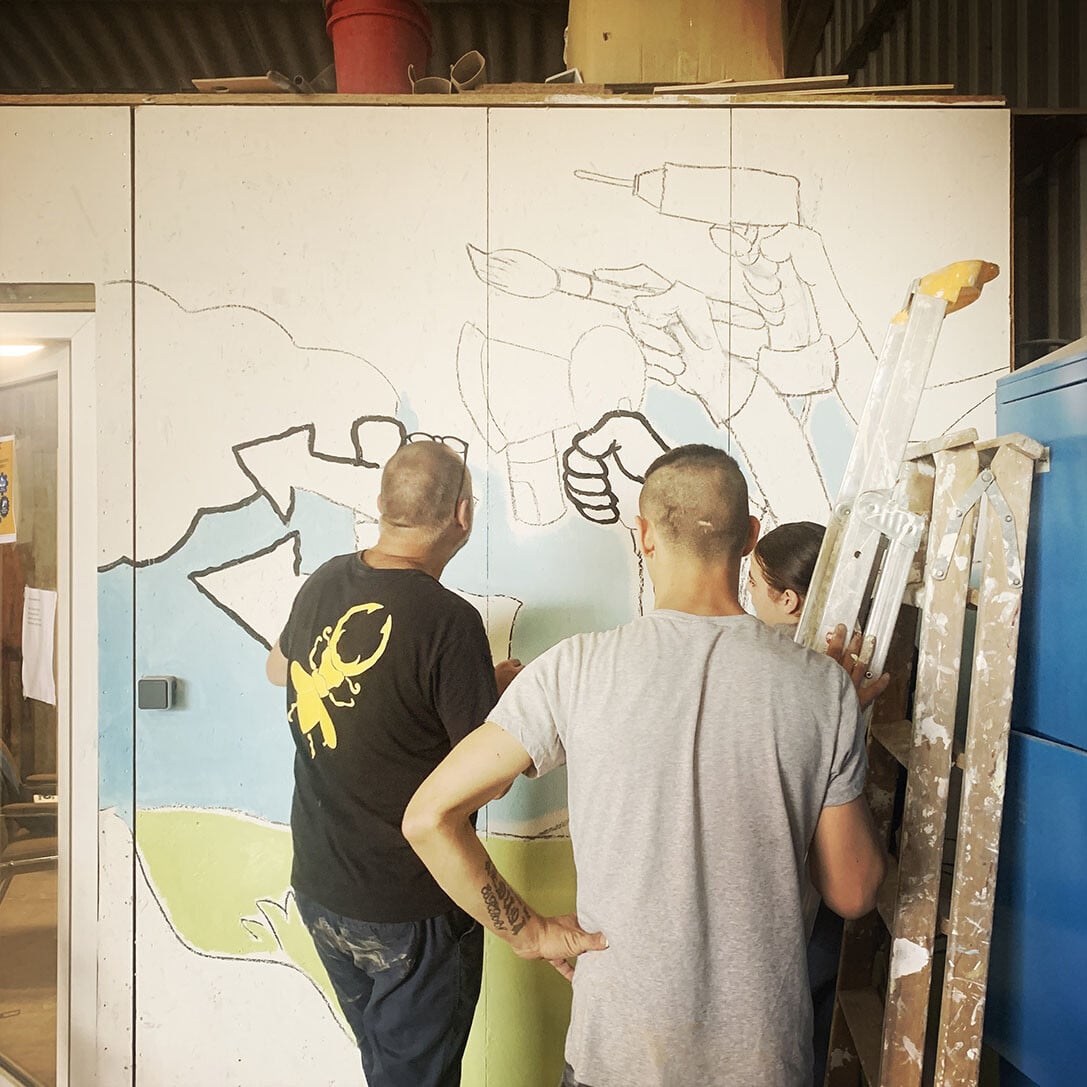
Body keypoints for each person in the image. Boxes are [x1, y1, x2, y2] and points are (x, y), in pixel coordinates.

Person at [403, 443, 887, 1087]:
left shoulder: (573, 669)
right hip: (761, 1059)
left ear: (644, 535)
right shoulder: (823, 688)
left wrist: (530, 934)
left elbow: (429, 818)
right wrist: (843, 735)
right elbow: (853, 891)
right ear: (750, 537)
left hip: (616, 1055)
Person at [266, 437, 520, 1087]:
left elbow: (279, 668)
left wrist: (464, 690)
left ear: (382, 504)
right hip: (410, 910)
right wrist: (507, 705)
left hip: (322, 890)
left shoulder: (325, 579)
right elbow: (486, 782)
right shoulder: (448, 621)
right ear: (463, 514)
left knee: (386, 1068)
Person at [749, 519, 870, 1087]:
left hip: (802, 891)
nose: (747, 597)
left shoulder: (795, 675)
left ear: (789, 600)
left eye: (754, 583)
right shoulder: (840, 669)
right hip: (826, 880)